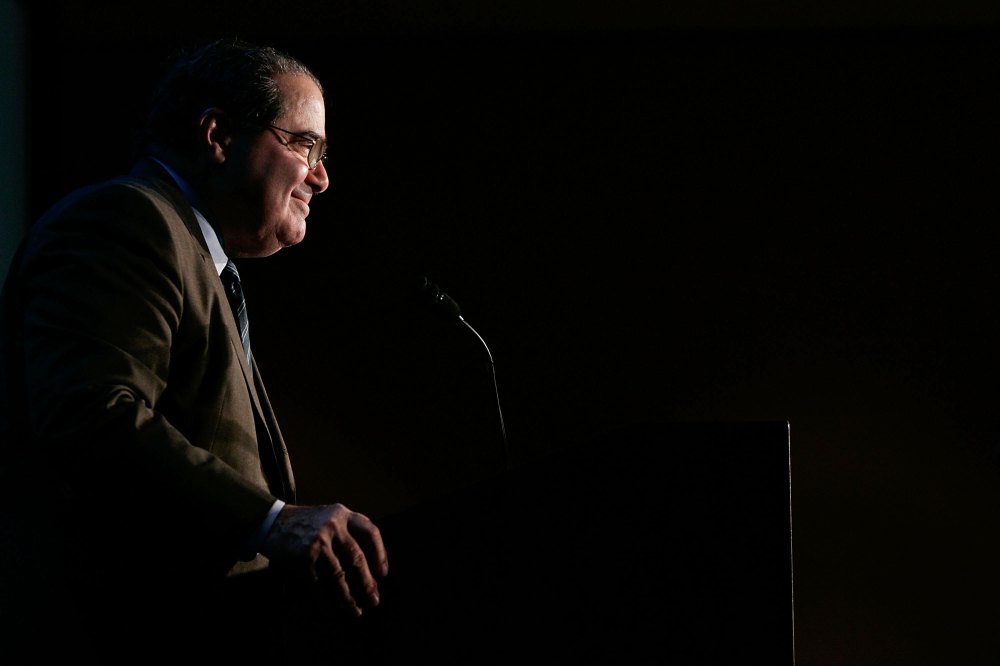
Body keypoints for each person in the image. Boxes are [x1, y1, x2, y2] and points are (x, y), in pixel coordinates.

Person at [0, 38, 388, 661]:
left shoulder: (204, 261)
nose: (321, 176)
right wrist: (271, 520)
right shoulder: (124, 221)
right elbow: (89, 412)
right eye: (304, 145)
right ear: (217, 135)